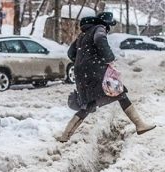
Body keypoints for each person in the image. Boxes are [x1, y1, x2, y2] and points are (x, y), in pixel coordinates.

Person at [57, 12, 156, 142]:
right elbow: (100, 40)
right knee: (120, 93)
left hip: (81, 72)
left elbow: (71, 53)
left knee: (88, 104)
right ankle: (140, 125)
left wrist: (82, 61)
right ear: (106, 24)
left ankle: (65, 135)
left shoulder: (82, 35)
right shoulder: (99, 28)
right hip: (95, 71)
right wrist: (108, 57)